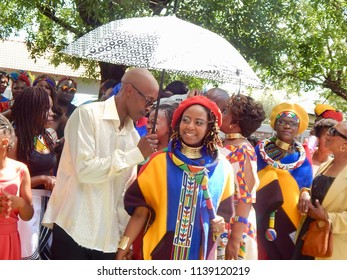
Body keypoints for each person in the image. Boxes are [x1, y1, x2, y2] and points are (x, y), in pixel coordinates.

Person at [42, 67, 159, 260]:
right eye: (148, 100)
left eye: (152, 104)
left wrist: (123, 241)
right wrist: (135, 154)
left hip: (108, 241)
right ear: (129, 90)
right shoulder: (87, 115)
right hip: (73, 230)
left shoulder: (132, 137)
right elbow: (85, 170)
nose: (148, 108)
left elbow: (123, 196)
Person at [116, 96, 235, 260]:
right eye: (186, 120)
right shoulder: (158, 162)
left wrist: (220, 223)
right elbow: (140, 213)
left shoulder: (223, 169)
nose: (190, 126)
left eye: (199, 122)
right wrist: (123, 248)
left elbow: (223, 214)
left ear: (210, 128)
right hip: (156, 254)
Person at [254, 102, 313, 260]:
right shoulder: (260, 150)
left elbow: (307, 183)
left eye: (292, 123)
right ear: (274, 125)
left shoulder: (302, 157)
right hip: (262, 210)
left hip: (291, 213)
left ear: (298, 128)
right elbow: (251, 177)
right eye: (282, 122)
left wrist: (306, 193)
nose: (287, 126)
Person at [8, 87, 57, 260]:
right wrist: (43, 179)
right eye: (46, 109)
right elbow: (10, 182)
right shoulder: (15, 139)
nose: (52, 113)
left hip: (47, 205)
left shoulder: (44, 137)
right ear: (31, 110)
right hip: (25, 207)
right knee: (27, 256)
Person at [217, 93, 265, 260]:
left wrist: (235, 239)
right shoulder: (222, 144)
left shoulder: (243, 150)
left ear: (235, 123)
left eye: (225, 112)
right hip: (221, 219)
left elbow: (246, 196)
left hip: (235, 225)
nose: (220, 114)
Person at [293, 121, 347, 259]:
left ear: (345, 145)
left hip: (329, 248)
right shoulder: (326, 164)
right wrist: (305, 193)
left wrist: (327, 217)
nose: (327, 135)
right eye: (330, 130)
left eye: (334, 132)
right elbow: (316, 190)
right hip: (306, 235)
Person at [0, 114, 33, 260]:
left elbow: (28, 215)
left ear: (4, 142)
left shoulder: (20, 170)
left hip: (8, 240)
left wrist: (20, 203)